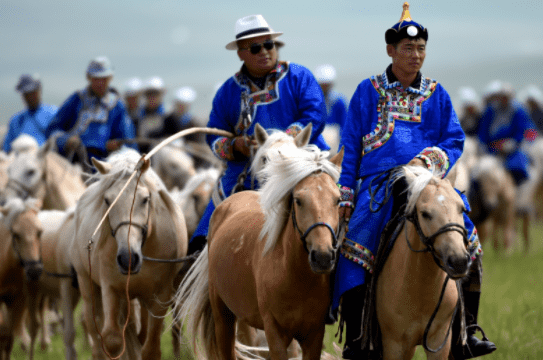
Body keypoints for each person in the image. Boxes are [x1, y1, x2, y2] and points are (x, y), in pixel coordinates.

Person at [331, 3, 496, 359]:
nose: (415, 55)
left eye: (421, 48)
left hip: (428, 180)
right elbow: (350, 144)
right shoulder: (367, 90)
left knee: (468, 237)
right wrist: (346, 192)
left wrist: (429, 160)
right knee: (355, 246)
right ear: (391, 50)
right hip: (379, 183)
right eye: (408, 48)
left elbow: (453, 139)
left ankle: (467, 332)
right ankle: (360, 338)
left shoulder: (437, 93)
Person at [187, 14, 329, 255]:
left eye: (269, 44)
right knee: (211, 224)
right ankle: (201, 258)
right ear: (241, 53)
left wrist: (281, 143)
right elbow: (214, 136)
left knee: (340, 201)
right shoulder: (228, 92)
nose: (264, 51)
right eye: (255, 47)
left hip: (303, 161)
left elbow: (315, 115)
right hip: (248, 169)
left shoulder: (299, 76)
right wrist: (236, 146)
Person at [45, 56, 135, 165]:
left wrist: (117, 146)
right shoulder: (76, 99)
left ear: (110, 78)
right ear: (88, 77)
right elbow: (52, 130)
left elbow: (128, 142)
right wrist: (66, 140)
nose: (100, 83)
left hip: (105, 164)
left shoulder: (117, 105)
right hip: (73, 162)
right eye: (96, 78)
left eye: (104, 79)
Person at [477, 82, 537, 186]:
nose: (503, 99)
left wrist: (513, 143)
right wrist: (483, 144)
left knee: (519, 168)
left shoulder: (518, 110)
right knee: (479, 171)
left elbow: (522, 130)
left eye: (506, 97)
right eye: (501, 97)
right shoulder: (490, 111)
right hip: (492, 149)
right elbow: (483, 131)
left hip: (513, 149)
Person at [2, 74, 58, 153]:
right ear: (23, 95)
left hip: (47, 158)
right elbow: (7, 148)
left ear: (39, 90)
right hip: (20, 160)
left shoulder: (54, 113)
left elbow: (61, 138)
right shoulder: (16, 120)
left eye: (33, 92)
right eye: (27, 94)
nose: (30, 97)